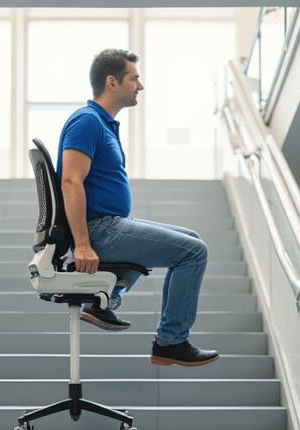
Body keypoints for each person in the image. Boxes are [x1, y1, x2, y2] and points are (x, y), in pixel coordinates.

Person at [56, 49, 219, 367]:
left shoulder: (102, 124)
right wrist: (83, 244)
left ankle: (103, 302)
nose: (140, 86)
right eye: (135, 78)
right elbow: (71, 182)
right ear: (112, 82)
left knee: (191, 237)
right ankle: (171, 342)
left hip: (111, 223)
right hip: (101, 229)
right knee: (194, 252)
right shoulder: (87, 122)